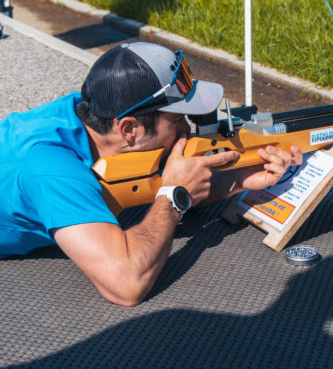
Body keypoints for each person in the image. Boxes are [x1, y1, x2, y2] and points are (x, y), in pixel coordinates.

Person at [0, 42, 302, 306]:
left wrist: (239, 178)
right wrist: (174, 195)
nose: (188, 128)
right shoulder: (50, 169)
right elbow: (125, 285)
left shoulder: (84, 115)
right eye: (177, 119)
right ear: (129, 129)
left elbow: (153, 183)